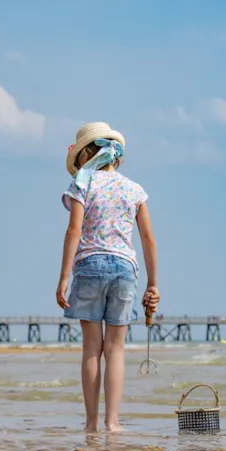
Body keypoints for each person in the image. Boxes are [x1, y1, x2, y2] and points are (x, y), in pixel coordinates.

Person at [55, 122, 159, 433]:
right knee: (115, 349)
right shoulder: (134, 189)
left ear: (85, 155)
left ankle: (90, 424)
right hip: (125, 270)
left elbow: (74, 231)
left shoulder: (82, 184)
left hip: (89, 266)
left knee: (91, 349)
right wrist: (153, 283)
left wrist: (62, 278)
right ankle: (112, 423)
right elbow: (148, 238)